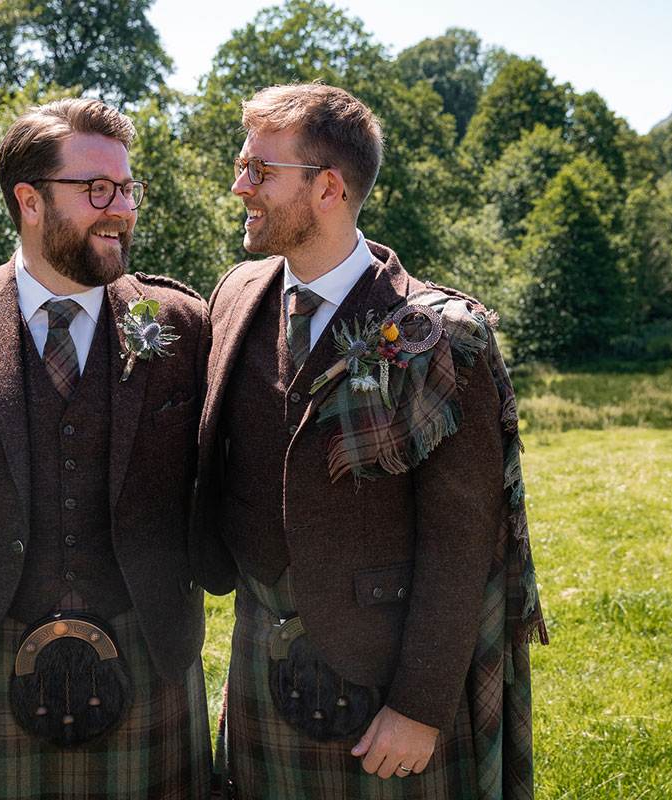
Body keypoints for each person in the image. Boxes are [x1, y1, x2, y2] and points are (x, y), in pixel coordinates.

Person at [191, 83, 547, 798]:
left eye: (260, 171)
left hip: (385, 683)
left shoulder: (439, 335)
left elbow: (462, 539)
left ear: (327, 187)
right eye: (241, 165)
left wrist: (419, 706)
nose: (239, 186)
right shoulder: (235, 294)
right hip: (259, 661)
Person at [0, 98, 211, 800]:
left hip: (150, 656)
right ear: (29, 199)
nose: (121, 209)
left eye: (128, 189)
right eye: (97, 190)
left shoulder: (178, 320)